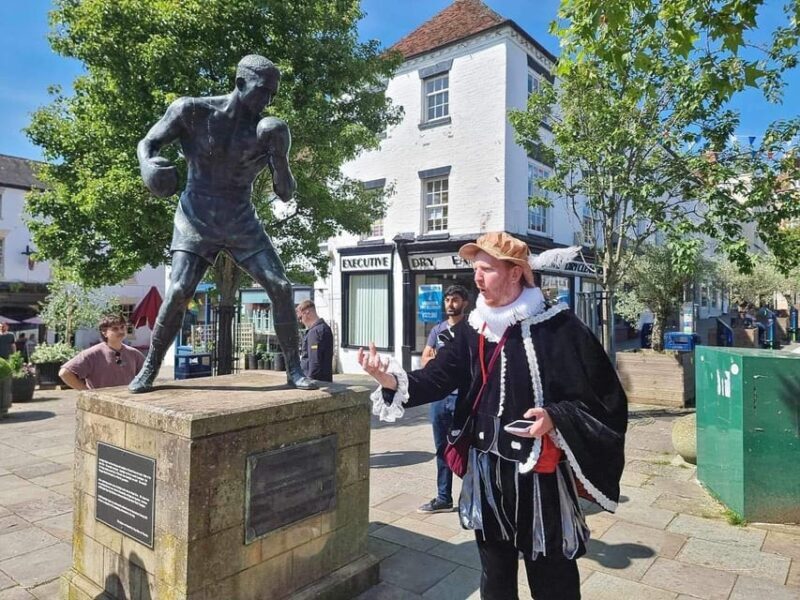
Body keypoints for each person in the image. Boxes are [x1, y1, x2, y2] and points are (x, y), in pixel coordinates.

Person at [359, 232, 627, 600]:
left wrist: (554, 417)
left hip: (538, 473)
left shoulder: (558, 326)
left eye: (486, 269)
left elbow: (603, 396)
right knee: (495, 573)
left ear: (516, 273)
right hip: (486, 470)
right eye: (475, 269)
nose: (477, 279)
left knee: (551, 573)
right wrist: (387, 378)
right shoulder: (473, 327)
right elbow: (437, 378)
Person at [128, 54, 316, 393]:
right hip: (196, 214)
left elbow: (286, 194)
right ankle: (150, 369)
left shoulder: (265, 131)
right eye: (263, 91)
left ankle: (294, 371)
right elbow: (149, 142)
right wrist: (148, 166)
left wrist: (280, 157)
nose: (267, 101)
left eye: (273, 95)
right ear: (241, 83)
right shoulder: (192, 112)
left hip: (241, 218)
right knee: (178, 292)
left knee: (282, 287)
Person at [418, 284, 470, 514]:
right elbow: (424, 361)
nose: (450, 304)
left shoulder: (472, 329)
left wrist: (438, 359)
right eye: (448, 299)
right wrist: (437, 359)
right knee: (441, 448)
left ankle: (472, 498)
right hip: (440, 399)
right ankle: (443, 496)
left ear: (465, 303)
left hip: (464, 398)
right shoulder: (437, 330)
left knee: (468, 449)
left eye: (455, 299)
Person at [59, 315, 145, 390]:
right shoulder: (92, 354)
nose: (120, 331)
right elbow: (65, 373)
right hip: (100, 404)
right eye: (115, 329)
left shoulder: (134, 354)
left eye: (122, 327)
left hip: (127, 402)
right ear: (104, 333)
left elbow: (146, 375)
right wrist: (87, 392)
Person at [296, 300, 334, 382]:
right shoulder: (325, 328)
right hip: (324, 378)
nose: (300, 321)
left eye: (300, 317)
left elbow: (314, 360)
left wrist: (310, 380)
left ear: (307, 313)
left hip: (315, 381)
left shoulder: (315, 332)